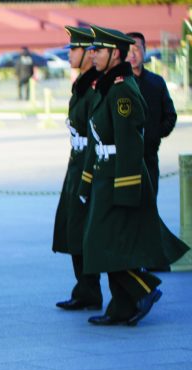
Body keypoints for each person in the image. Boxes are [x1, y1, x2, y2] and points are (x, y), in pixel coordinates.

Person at [78, 25, 189, 327]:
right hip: (106, 175)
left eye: (98, 50)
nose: (93, 55)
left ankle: (144, 288)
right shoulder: (110, 86)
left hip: (119, 178)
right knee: (106, 243)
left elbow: (129, 142)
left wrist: (126, 189)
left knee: (103, 244)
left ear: (115, 53)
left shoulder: (122, 89)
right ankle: (121, 308)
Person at [52, 26, 103, 312]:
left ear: (88, 53)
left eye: (74, 49)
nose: (69, 53)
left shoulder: (95, 87)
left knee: (83, 228)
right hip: (77, 161)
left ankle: (91, 289)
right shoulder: (83, 84)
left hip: (87, 163)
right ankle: (84, 289)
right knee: (73, 228)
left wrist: (86, 175)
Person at [125, 31, 177, 197]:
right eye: (128, 50)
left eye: (137, 49)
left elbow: (170, 115)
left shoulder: (156, 82)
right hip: (126, 159)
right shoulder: (119, 83)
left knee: (150, 204)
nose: (132, 54)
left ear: (145, 50)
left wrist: (156, 134)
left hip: (150, 156)